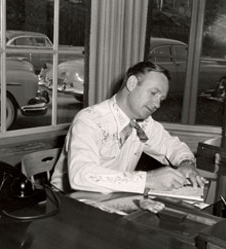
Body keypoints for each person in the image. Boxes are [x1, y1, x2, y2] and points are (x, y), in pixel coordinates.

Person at [51, 61, 206, 194]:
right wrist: (148, 179)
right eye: (153, 93)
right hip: (69, 201)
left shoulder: (144, 122)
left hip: (110, 199)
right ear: (131, 83)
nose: (157, 104)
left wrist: (187, 163)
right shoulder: (90, 120)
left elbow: (171, 145)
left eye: (161, 99)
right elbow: (81, 175)